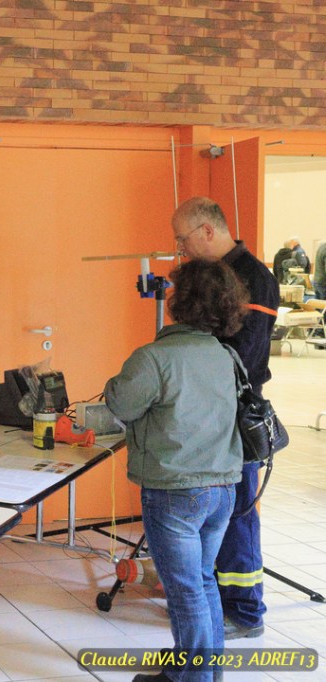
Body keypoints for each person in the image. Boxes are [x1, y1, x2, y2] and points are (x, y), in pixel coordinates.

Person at [106, 259, 247, 682]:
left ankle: (195, 678)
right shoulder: (225, 355)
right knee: (203, 582)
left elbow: (121, 403)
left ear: (179, 301)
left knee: (186, 593)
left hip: (175, 491)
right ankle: (201, 674)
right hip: (223, 488)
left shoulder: (155, 357)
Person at [171, 196, 279, 641]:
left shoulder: (255, 279)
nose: (180, 249)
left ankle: (245, 610)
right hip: (208, 411)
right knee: (214, 515)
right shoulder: (213, 274)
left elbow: (243, 357)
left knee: (237, 514)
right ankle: (210, 601)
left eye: (182, 239)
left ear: (207, 231)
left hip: (235, 414)